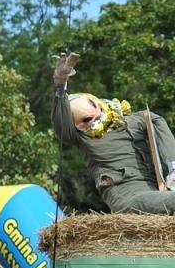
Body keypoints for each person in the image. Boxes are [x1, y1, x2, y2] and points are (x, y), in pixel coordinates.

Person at [53, 52, 175, 213]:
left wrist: (173, 168)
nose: (95, 120)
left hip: (158, 189)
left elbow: (156, 121)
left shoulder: (133, 120)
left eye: (95, 113)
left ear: (97, 104)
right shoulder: (81, 137)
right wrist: (60, 85)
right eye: (87, 120)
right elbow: (61, 123)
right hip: (128, 198)